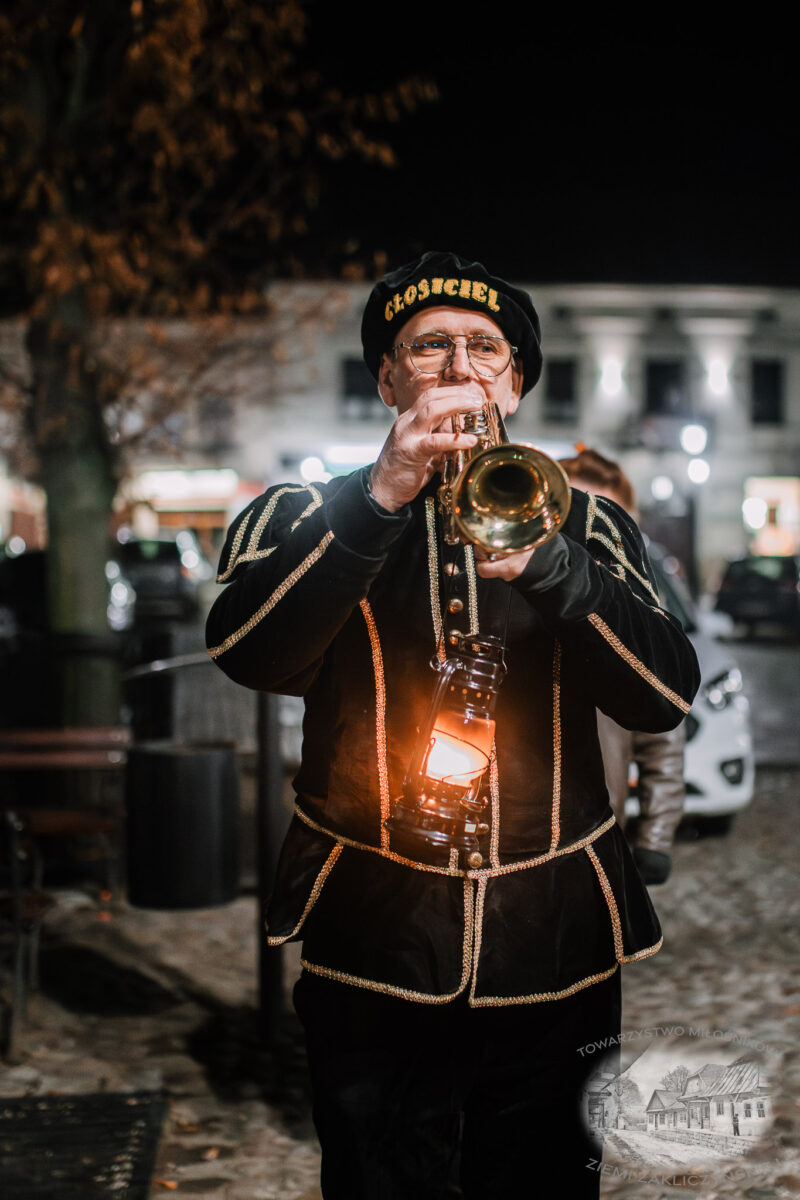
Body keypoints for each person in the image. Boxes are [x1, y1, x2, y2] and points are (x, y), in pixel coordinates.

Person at [206, 251, 700, 1198]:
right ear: (389, 380)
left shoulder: (592, 524)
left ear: (514, 381)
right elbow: (250, 655)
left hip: (558, 939)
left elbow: (662, 697)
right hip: (373, 937)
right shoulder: (306, 512)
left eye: (484, 348)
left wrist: (553, 569)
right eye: (429, 348)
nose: (459, 367)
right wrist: (381, 497)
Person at [558, 446, 687, 885]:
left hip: (599, 831)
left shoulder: (636, 609)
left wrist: (654, 839)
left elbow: (663, 738)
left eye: (603, 520)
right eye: (573, 513)